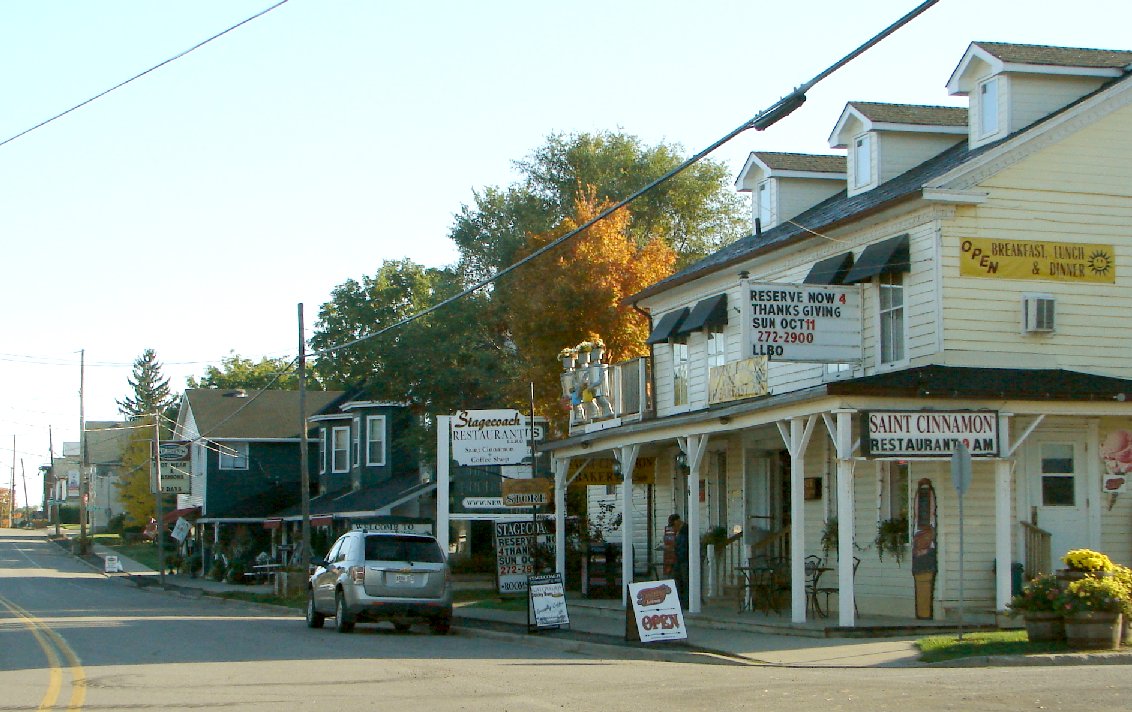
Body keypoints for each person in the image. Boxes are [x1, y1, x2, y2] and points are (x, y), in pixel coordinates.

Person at [670, 513, 689, 609]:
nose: (673, 528)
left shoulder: (686, 530)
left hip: (684, 560)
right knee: (677, 580)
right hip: (679, 560)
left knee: (685, 581)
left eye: (673, 525)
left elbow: (684, 546)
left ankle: (686, 603)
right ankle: (679, 602)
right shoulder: (679, 532)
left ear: (677, 521)